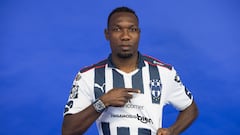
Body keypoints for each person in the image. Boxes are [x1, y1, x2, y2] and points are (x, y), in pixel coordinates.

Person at [62, 6, 198, 135]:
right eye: (117, 29)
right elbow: (68, 131)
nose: (125, 36)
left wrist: (172, 131)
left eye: (132, 29)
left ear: (139, 33)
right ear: (107, 34)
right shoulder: (88, 76)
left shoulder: (163, 73)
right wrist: (103, 102)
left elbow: (190, 108)